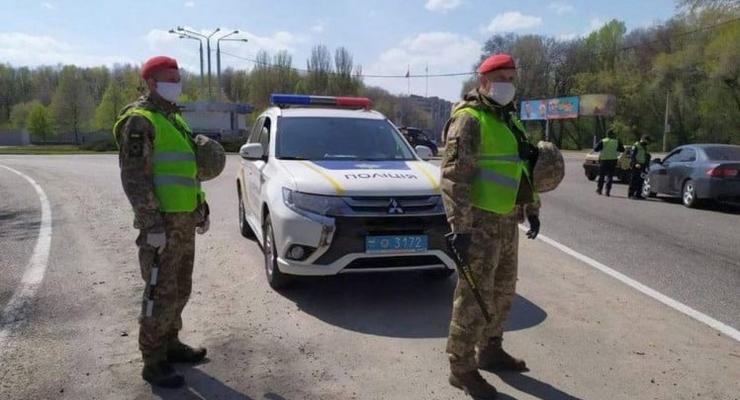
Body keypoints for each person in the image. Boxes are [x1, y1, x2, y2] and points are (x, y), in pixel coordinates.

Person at [440, 53, 564, 399]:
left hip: (507, 220)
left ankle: (491, 348)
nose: (508, 84)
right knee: (473, 297)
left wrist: (532, 207)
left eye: (512, 78)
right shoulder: (469, 120)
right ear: (483, 81)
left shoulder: (509, 120)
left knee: (503, 291)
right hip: (477, 224)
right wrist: (459, 229)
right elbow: (453, 178)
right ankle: (461, 368)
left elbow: (521, 169)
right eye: (502, 78)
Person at [113, 56, 225, 388]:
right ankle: (153, 360)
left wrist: (200, 207)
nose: (176, 83)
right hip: (161, 225)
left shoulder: (174, 119)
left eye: (178, 77)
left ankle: (171, 343)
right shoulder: (140, 122)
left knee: (180, 289)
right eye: (169, 78)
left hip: (183, 221)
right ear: (150, 83)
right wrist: (152, 225)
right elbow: (134, 178)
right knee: (159, 293)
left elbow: (186, 172)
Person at [593, 129, 624, 196]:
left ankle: (599, 189)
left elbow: (595, 149)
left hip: (603, 160)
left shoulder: (603, 141)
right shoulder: (616, 141)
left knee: (602, 175)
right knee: (610, 176)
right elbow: (622, 149)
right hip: (613, 160)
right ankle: (607, 191)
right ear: (613, 135)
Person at [628, 135, 652, 199]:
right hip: (636, 165)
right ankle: (631, 194)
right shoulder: (636, 146)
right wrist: (635, 163)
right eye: (647, 140)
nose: (648, 142)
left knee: (641, 180)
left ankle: (638, 194)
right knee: (634, 180)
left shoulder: (645, 147)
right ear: (643, 139)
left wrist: (647, 165)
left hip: (643, 165)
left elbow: (647, 157)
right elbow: (632, 156)